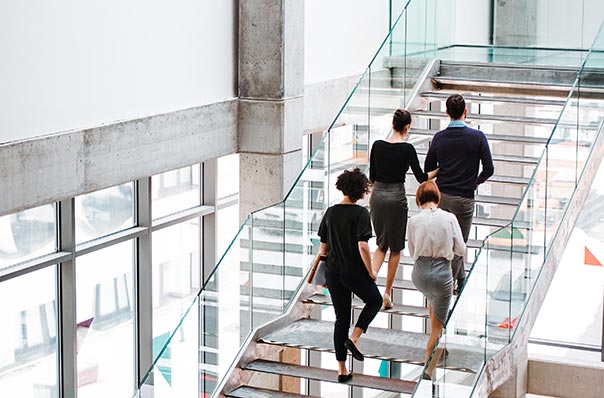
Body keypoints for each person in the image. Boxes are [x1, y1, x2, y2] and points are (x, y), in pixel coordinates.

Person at [424, 94, 494, 293]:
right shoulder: (477, 137)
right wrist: (475, 182)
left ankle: (459, 280)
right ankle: (452, 284)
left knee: (446, 241)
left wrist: (443, 170)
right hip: (464, 198)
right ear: (465, 112)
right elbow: (489, 169)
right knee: (459, 244)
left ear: (447, 113)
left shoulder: (439, 137)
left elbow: (429, 167)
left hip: (442, 197)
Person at [317, 168, 382, 383]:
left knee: (341, 319)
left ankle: (342, 370)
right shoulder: (361, 214)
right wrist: (371, 271)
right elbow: (363, 246)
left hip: (334, 273)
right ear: (361, 191)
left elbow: (322, 250)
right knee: (375, 300)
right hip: (354, 272)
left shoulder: (330, 212)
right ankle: (354, 338)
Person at [369, 109, 437, 309]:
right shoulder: (407, 149)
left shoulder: (377, 146)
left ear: (393, 124)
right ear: (407, 127)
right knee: (396, 248)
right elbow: (422, 178)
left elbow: (372, 176)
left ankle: (369, 284)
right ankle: (387, 294)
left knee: (381, 244)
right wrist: (440, 169)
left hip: (378, 197)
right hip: (397, 198)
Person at [407, 181, 466, 370]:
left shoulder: (413, 221)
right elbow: (462, 250)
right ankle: (427, 368)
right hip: (442, 274)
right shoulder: (449, 218)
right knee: (437, 328)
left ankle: (440, 348)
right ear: (437, 198)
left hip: (420, 274)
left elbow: (411, 250)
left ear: (418, 200)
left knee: (432, 302)